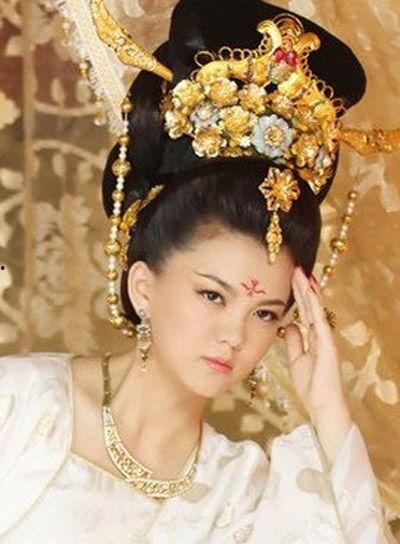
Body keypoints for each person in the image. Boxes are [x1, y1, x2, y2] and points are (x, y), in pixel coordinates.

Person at [0, 0, 398, 541]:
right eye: (213, 295)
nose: (235, 335)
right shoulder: (23, 405)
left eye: (265, 313)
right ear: (144, 285)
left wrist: (327, 404)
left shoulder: (242, 493)